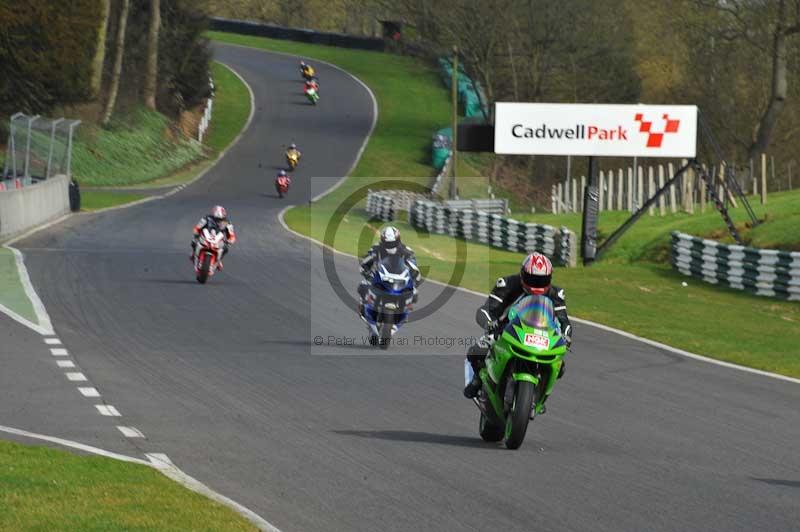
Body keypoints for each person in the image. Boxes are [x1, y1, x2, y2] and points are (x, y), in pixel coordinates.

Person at [463, 252, 572, 401]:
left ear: (549, 279)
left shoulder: (556, 294)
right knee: (476, 352)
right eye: (532, 279)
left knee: (560, 366)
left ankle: (539, 394)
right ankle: (477, 380)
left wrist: (566, 336)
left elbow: (564, 320)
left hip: (542, 334)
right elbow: (486, 309)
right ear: (522, 275)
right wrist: (491, 323)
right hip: (505, 330)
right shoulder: (507, 284)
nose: (537, 284)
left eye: (542, 280)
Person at [357, 226, 421, 313]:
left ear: (398, 240)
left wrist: (413, 282)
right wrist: (367, 273)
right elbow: (365, 263)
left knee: (414, 293)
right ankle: (364, 304)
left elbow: (415, 269)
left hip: (399, 279)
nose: (390, 246)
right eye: (387, 243)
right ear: (382, 241)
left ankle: (404, 311)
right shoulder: (376, 249)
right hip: (380, 277)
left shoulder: (407, 252)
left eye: (393, 243)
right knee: (363, 285)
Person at [191, 205, 236, 270]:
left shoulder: (227, 222)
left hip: (218, 239)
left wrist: (230, 240)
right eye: (216, 219)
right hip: (206, 236)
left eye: (220, 219)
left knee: (226, 248)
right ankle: (193, 254)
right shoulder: (207, 218)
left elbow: (232, 235)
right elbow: (197, 227)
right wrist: (196, 232)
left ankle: (219, 260)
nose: (218, 221)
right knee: (194, 241)